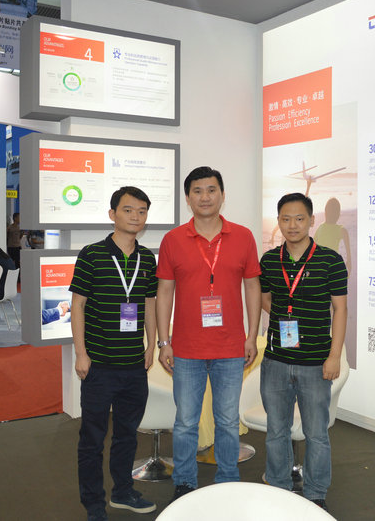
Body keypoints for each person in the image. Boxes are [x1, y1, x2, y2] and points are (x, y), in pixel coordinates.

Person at [156, 166, 261, 502]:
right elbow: (164, 292)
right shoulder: (173, 240)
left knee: (227, 421)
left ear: (222, 195)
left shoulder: (243, 236)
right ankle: (185, 482)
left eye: (211, 190)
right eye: (197, 191)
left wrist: (252, 336)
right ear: (188, 198)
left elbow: (252, 287)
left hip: (231, 347)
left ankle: (228, 479)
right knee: (186, 421)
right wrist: (163, 341)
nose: (205, 197)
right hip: (186, 349)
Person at [68, 186, 158, 521]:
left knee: (127, 436)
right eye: (128, 210)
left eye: (142, 211)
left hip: (134, 366)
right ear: (112, 214)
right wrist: (81, 353)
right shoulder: (92, 254)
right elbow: (78, 305)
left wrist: (152, 344)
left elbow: (149, 304)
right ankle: (94, 504)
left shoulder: (147, 258)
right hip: (99, 366)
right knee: (92, 439)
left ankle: (123, 492)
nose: (136, 217)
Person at [259, 193, 348, 512]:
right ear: (278, 221)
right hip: (276, 362)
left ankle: (315, 493)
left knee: (316, 433)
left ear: (311, 221)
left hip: (315, 363)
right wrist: (286, 317)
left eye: (299, 218)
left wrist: (334, 356)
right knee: (276, 431)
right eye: (285, 219)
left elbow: (340, 310)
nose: (292, 225)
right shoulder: (270, 260)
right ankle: (279, 487)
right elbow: (264, 298)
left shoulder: (329, 260)